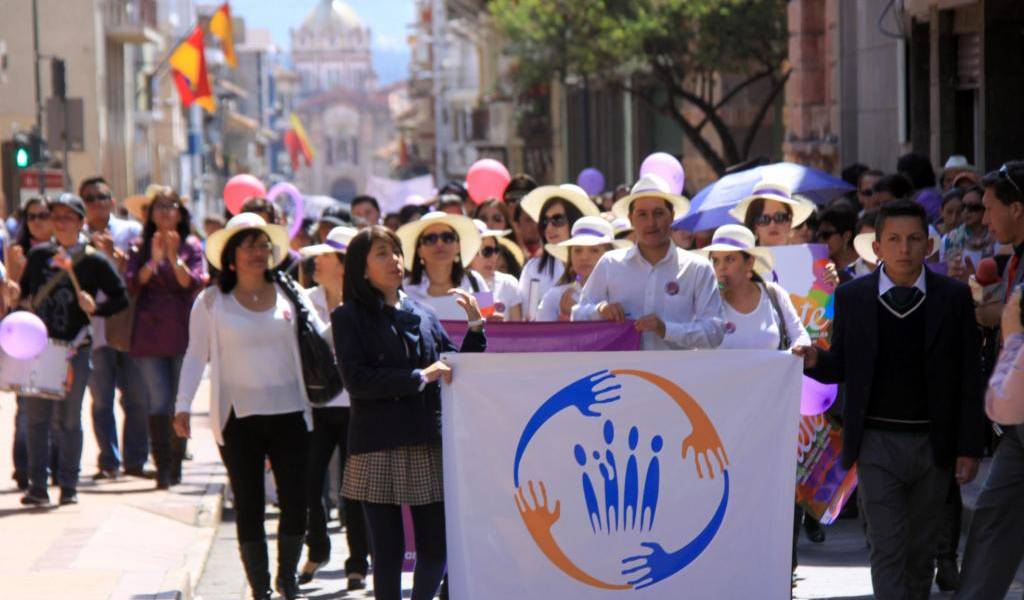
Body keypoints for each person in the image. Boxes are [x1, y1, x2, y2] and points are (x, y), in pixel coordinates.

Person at [795, 199, 984, 599]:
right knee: (886, 546)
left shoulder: (952, 298)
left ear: (929, 246)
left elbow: (969, 376)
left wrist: (968, 446)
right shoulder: (854, 297)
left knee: (920, 553)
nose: (904, 248)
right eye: (894, 239)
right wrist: (816, 359)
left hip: (933, 443)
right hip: (876, 442)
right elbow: (843, 365)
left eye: (914, 239)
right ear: (876, 247)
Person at [332, 226, 486, 600]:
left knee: (435, 549)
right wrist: (418, 377)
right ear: (362, 268)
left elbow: (454, 368)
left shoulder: (424, 313)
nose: (395, 261)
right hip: (377, 442)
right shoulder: (348, 316)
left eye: (397, 251)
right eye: (382, 253)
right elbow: (357, 379)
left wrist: (476, 327)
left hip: (424, 439)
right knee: (387, 553)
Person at [174, 212, 320, 600]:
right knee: (249, 502)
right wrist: (182, 404)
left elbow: (321, 336)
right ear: (231, 256)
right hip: (237, 417)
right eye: (248, 245)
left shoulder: (290, 292)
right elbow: (194, 355)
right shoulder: (210, 301)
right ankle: (259, 587)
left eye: (263, 245)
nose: (258, 252)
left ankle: (286, 576)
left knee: (296, 500)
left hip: (291, 411)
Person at [16, 193, 129, 507]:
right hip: (41, 348)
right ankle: (38, 485)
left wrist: (96, 309)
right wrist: (14, 293)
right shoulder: (39, 256)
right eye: (57, 216)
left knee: (68, 418)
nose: (61, 222)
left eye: (68, 217)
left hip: (75, 348)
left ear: (81, 222)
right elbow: (24, 294)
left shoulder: (93, 260)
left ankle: (68, 484)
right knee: (37, 418)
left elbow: (121, 297)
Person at [957, 162, 1024, 599]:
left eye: (990, 208)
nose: (984, 219)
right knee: (990, 522)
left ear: (1016, 208)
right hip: (1016, 423)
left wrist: (992, 314)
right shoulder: (1013, 260)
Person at [294, 226, 372, 590]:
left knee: (353, 488)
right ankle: (318, 548)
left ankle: (358, 561)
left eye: (323, 255)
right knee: (309, 482)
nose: (314, 260)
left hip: (356, 406)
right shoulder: (304, 298)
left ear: (342, 265)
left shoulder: (366, 303)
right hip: (315, 405)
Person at [573, 173, 723, 350]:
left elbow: (715, 332)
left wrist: (666, 329)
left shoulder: (698, 268)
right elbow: (577, 316)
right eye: (642, 214)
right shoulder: (610, 264)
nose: (651, 223)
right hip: (621, 375)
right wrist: (599, 311)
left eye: (658, 213)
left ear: (672, 216)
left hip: (676, 377)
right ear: (630, 218)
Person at [124, 187, 205, 489]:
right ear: (150, 213)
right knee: (157, 399)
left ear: (180, 213)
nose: (166, 211)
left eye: (171, 206)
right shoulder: (139, 245)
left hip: (183, 331)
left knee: (179, 400)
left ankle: (177, 464)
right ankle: (162, 467)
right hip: (149, 333)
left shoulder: (192, 245)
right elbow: (132, 283)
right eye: (159, 206)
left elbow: (191, 281)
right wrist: (154, 259)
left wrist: (173, 257)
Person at [80, 176, 147, 481]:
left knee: (136, 397)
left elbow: (137, 278)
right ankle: (109, 461)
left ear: (112, 199)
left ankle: (135, 460)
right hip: (93, 329)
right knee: (101, 400)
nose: (97, 203)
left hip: (129, 326)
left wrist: (116, 259)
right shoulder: (77, 238)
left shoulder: (130, 231)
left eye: (102, 196)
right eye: (90, 198)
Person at [7, 197, 55, 490]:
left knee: (56, 407)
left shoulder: (62, 251)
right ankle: (24, 468)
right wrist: (18, 270)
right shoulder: (16, 250)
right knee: (26, 405)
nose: (37, 221)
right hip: (23, 336)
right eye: (31, 216)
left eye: (43, 215)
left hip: (57, 336)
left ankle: (55, 466)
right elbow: (14, 295)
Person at [518, 184, 599, 319]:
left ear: (575, 219)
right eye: (544, 221)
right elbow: (527, 320)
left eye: (557, 219)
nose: (549, 228)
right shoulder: (533, 269)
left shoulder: (603, 265)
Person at [536, 216, 629, 321]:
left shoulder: (624, 295)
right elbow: (540, 335)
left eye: (594, 250)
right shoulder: (554, 297)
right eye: (577, 250)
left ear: (609, 254)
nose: (584, 257)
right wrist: (565, 318)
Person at [397, 212, 487, 320]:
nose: (440, 243)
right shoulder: (403, 289)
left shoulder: (476, 280)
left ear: (458, 246)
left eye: (447, 237)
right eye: (430, 239)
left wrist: (495, 319)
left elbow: (491, 318)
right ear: (419, 250)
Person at [469, 219, 523, 321]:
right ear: (469, 253)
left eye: (496, 250)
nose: (494, 257)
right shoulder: (454, 284)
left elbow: (516, 331)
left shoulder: (508, 283)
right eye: (487, 251)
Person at [733, 182, 815, 248]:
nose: (772, 224)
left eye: (779, 217)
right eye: (764, 219)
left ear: (790, 222)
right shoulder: (742, 265)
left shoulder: (810, 260)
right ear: (755, 227)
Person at [943, 185, 994, 281]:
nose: (966, 211)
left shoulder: (998, 239)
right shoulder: (948, 240)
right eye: (963, 207)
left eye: (973, 207)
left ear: (985, 209)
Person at [817, 205, 859, 274]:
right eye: (819, 235)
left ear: (846, 236)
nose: (821, 240)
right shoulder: (819, 267)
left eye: (826, 235)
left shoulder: (867, 265)